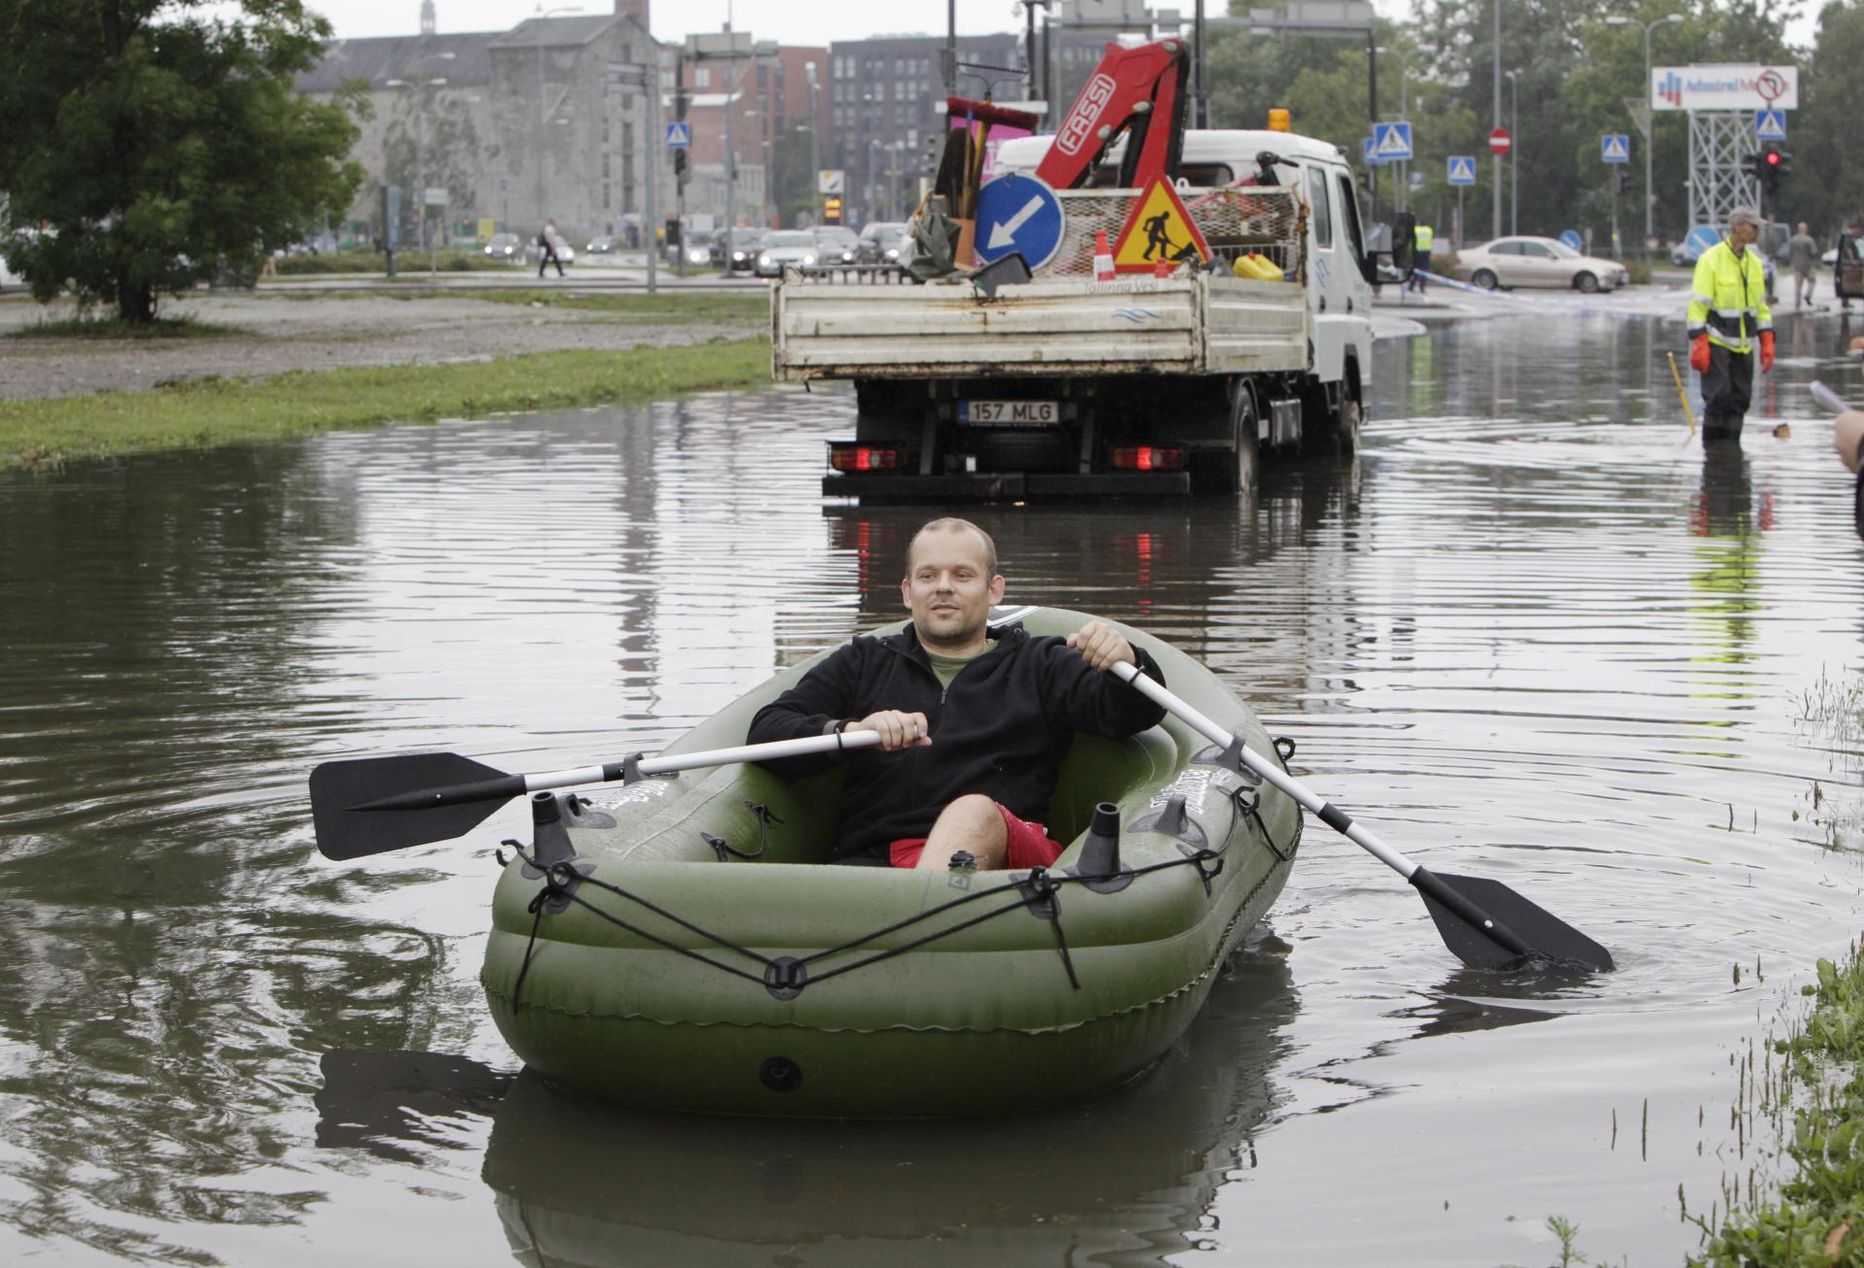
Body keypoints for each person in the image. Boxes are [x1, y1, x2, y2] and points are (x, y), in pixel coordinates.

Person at [746, 518, 1167, 871]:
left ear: (994, 589)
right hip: (880, 864)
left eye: (962, 575)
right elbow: (767, 731)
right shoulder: (862, 662)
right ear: (909, 592)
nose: (943, 587)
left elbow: (1132, 712)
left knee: (973, 811)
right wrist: (850, 729)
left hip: (1009, 860)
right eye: (928, 576)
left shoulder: (1042, 662)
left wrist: (1128, 658)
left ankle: (919, 920)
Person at [1686, 206, 1774, 445]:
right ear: (1736, 226)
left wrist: (1767, 338)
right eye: (1752, 226)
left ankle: (1731, 451)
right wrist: (1700, 340)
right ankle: (1713, 454)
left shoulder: (1754, 263)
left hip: (1744, 346)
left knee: (1740, 399)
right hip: (1717, 341)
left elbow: (1760, 306)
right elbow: (1698, 305)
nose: (1757, 231)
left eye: (1758, 227)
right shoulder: (1710, 260)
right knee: (1718, 397)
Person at [1788, 222, 1818, 308]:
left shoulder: (1793, 240)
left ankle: (1797, 304)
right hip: (1807, 265)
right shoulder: (1809, 240)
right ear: (1806, 229)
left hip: (1796, 266)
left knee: (1798, 285)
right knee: (1812, 280)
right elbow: (1814, 252)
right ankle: (1808, 295)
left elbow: (1790, 252)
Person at [1407, 222, 1433, 293]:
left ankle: (1411, 287)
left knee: (1415, 269)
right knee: (1424, 270)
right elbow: (1430, 240)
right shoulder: (1429, 230)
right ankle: (1422, 288)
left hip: (1416, 252)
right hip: (1426, 251)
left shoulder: (1415, 229)